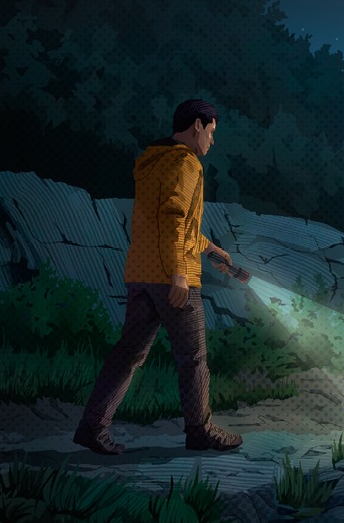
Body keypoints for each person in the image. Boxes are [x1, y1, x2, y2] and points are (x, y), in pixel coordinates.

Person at [73, 99, 244, 455]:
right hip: (171, 277)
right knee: (193, 356)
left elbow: (171, 223)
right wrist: (180, 275)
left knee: (128, 353)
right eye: (211, 132)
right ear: (197, 125)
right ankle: (200, 431)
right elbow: (174, 219)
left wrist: (211, 250)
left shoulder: (153, 162)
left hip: (142, 273)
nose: (211, 142)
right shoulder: (186, 162)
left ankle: (92, 426)